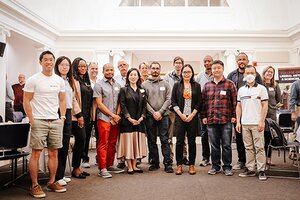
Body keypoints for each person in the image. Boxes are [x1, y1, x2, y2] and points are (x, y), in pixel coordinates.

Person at [23, 50, 67, 198]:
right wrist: (31, 119)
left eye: (51, 60)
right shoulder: (33, 80)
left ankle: (52, 181)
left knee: (54, 153)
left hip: (55, 121)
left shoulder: (59, 80)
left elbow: (62, 100)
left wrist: (62, 117)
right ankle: (34, 185)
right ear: (40, 62)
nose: (49, 62)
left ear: (54, 61)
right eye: (46, 60)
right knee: (36, 153)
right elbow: (26, 101)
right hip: (39, 120)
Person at [227, 52, 263, 170]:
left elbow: (261, 92)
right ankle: (242, 160)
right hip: (238, 110)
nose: (241, 61)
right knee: (239, 137)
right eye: (239, 59)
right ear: (237, 61)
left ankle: (256, 163)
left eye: (244, 59)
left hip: (254, 111)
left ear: (247, 61)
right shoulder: (231, 75)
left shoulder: (256, 75)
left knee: (256, 140)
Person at [201, 60, 237, 176]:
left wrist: (234, 116)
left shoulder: (229, 84)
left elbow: (235, 102)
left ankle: (227, 167)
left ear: (222, 69)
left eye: (219, 68)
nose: (216, 70)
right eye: (214, 68)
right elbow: (203, 103)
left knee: (226, 145)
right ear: (211, 70)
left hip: (226, 120)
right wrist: (204, 116)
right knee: (214, 145)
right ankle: (215, 166)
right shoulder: (207, 85)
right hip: (211, 120)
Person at [236, 65, 268, 181]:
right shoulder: (241, 90)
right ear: (244, 75)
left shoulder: (261, 89)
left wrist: (262, 121)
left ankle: (261, 170)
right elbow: (238, 106)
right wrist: (238, 122)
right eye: (247, 73)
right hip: (245, 123)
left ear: (255, 75)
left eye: (252, 73)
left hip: (257, 123)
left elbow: (265, 106)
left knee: (259, 147)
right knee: (248, 147)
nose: (249, 75)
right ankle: (250, 168)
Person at [94, 63, 125, 178]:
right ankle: (102, 168)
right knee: (103, 143)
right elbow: (99, 104)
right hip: (104, 118)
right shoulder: (98, 85)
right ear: (103, 71)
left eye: (111, 70)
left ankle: (110, 164)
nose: (109, 72)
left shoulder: (118, 85)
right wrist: (112, 115)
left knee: (112, 143)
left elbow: (119, 102)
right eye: (107, 70)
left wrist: (116, 116)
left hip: (115, 119)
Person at [143, 61, 173, 173]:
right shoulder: (144, 84)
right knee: (151, 140)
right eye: (153, 68)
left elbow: (169, 99)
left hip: (164, 116)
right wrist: (153, 112)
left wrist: (160, 112)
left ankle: (167, 163)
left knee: (165, 140)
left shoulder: (166, 83)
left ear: (160, 70)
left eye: (157, 68)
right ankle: (154, 162)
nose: (155, 70)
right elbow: (144, 101)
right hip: (150, 117)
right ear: (150, 70)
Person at [54, 56, 80, 186]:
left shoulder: (69, 81)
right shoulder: (55, 80)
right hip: (58, 112)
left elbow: (72, 99)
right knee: (58, 145)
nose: (65, 67)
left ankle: (61, 174)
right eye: (62, 64)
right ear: (57, 66)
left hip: (68, 112)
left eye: (67, 65)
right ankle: (56, 176)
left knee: (65, 144)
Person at [172, 64, 201, 175]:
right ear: (181, 73)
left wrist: (192, 115)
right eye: (184, 72)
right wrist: (181, 114)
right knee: (179, 142)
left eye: (189, 72)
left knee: (192, 142)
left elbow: (199, 102)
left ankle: (191, 165)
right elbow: (173, 101)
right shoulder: (176, 85)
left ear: (192, 73)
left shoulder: (196, 86)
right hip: (180, 117)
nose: (186, 74)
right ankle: (179, 165)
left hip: (192, 118)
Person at [117, 68, 148, 174]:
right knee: (129, 144)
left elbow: (145, 105)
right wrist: (129, 118)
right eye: (131, 75)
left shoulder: (142, 89)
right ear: (128, 77)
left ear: (138, 77)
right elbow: (122, 105)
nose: (133, 77)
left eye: (135, 75)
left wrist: (142, 117)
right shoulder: (123, 90)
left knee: (136, 144)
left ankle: (135, 166)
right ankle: (129, 166)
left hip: (139, 122)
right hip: (127, 122)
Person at [71, 57, 93, 179]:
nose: (83, 68)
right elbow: (73, 99)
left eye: (84, 66)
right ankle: (76, 168)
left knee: (83, 142)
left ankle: (77, 167)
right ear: (75, 67)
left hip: (87, 117)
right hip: (77, 117)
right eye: (80, 66)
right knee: (80, 140)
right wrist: (79, 115)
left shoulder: (86, 80)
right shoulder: (73, 80)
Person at [164, 56, 189, 165]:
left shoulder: (186, 76)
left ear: (182, 64)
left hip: (182, 110)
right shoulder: (167, 76)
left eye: (180, 63)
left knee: (182, 136)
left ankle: (184, 157)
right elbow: (165, 92)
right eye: (176, 63)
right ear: (173, 64)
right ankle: (169, 158)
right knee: (169, 136)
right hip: (170, 110)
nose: (178, 64)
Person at [195, 55, 213, 167]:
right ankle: (205, 158)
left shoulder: (217, 74)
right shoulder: (199, 76)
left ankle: (216, 158)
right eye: (205, 61)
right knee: (204, 135)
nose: (207, 63)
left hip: (216, 110)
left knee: (216, 136)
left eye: (209, 61)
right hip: (203, 111)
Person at [261, 66, 281, 165]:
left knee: (269, 137)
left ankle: (268, 159)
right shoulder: (259, 84)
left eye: (271, 72)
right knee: (261, 138)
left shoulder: (275, 85)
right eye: (268, 71)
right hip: (260, 115)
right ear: (264, 73)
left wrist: (273, 106)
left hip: (271, 116)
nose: (269, 73)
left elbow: (279, 100)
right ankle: (260, 159)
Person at [81, 62, 100, 168]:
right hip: (87, 113)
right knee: (86, 137)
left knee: (99, 137)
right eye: (92, 68)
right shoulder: (84, 82)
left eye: (96, 68)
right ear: (88, 69)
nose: (94, 70)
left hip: (98, 113)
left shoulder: (100, 81)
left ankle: (99, 158)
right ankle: (85, 159)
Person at [114, 58, 129, 169]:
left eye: (124, 64)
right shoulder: (115, 80)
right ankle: (121, 159)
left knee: (131, 136)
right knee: (120, 137)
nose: (123, 67)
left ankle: (134, 158)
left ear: (127, 66)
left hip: (132, 112)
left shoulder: (132, 76)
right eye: (120, 65)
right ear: (118, 67)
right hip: (119, 112)